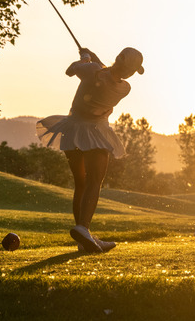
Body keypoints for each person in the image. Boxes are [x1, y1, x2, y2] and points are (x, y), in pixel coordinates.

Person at [36, 47, 144, 253]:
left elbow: (72, 71)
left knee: (81, 183)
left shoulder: (91, 70)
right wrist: (91, 59)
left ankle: (82, 236)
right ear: (126, 68)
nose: (131, 74)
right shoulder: (125, 88)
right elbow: (106, 75)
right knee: (95, 181)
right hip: (96, 133)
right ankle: (83, 229)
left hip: (72, 129)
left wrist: (85, 58)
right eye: (131, 69)